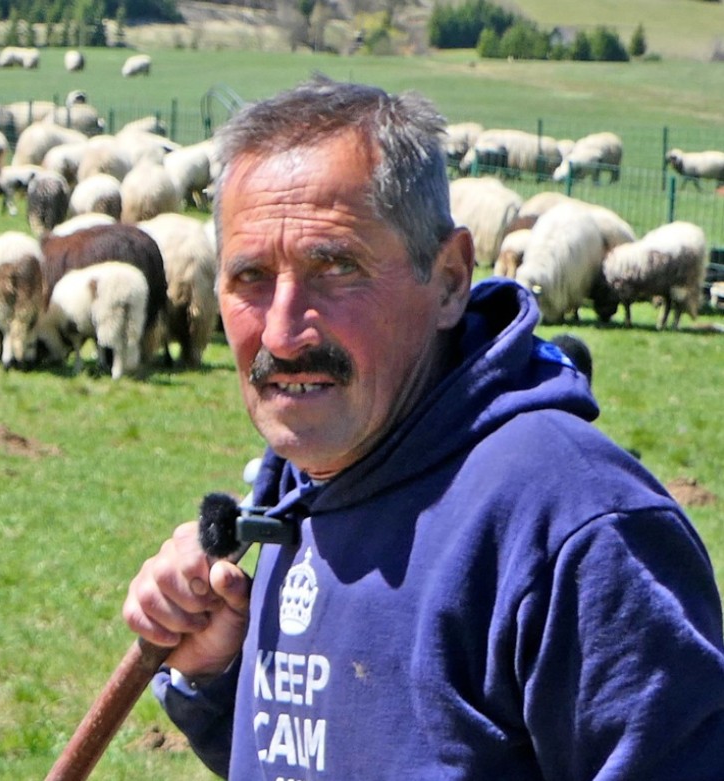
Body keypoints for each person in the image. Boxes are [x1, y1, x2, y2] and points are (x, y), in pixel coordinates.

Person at [122, 76, 724, 779]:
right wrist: (223, 674)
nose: (281, 333)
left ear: (447, 279)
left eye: (335, 268)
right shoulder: (310, 483)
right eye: (250, 277)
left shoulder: (570, 529)